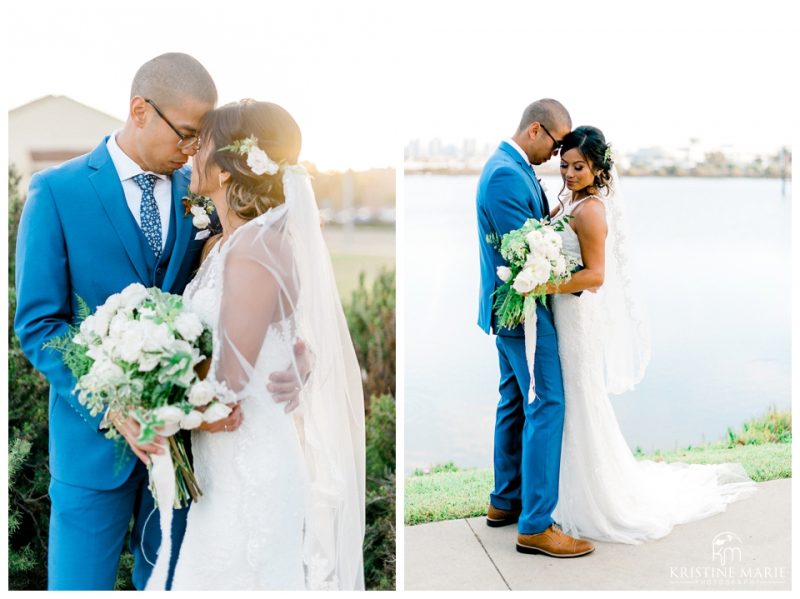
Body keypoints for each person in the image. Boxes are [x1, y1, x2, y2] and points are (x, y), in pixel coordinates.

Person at [14, 53, 303, 590]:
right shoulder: (56, 192)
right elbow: (38, 324)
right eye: (188, 134)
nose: (195, 149)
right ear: (140, 111)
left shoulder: (208, 198)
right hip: (91, 450)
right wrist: (115, 402)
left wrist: (296, 354)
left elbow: (259, 294)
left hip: (196, 460)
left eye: (202, 140)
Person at [166, 99, 365, 590]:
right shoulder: (225, 244)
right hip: (226, 462)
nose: (192, 153)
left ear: (232, 165)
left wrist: (146, 399)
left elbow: (227, 386)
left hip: (248, 463)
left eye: (204, 143)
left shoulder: (255, 248)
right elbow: (285, 336)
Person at [545, 125, 756, 542]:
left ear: (598, 167)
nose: (569, 173)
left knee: (580, 402)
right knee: (569, 404)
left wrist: (543, 283)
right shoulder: (570, 199)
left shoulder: (590, 211)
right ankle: (557, 494)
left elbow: (596, 276)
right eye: (565, 165)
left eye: (579, 167)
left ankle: (591, 501)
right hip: (563, 314)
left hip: (576, 319)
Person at [476, 99, 595, 557]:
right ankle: (537, 524)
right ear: (536, 130)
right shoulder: (506, 173)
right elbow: (522, 253)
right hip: (521, 309)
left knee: (513, 401)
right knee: (547, 402)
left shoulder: (509, 165)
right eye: (558, 142)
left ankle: (505, 501)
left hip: (508, 311)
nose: (559, 154)